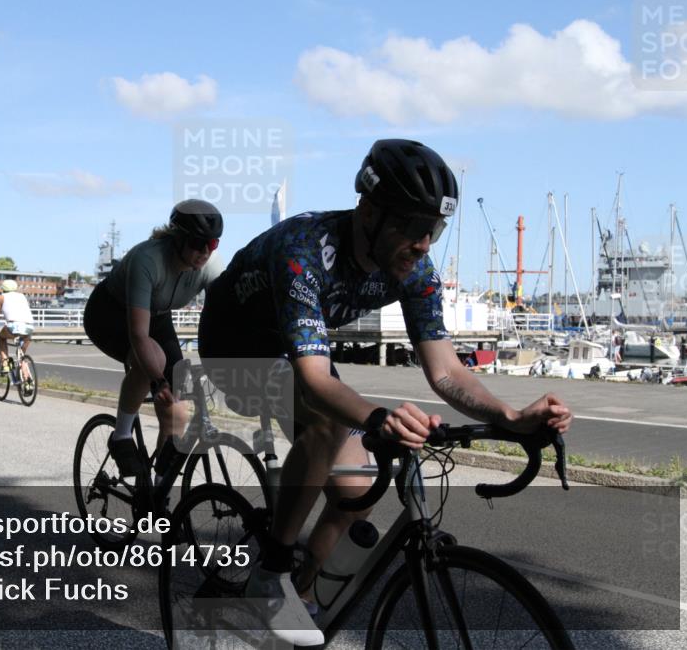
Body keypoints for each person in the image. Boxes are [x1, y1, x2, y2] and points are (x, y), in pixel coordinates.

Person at [199, 139, 573, 646]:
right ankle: (272, 574)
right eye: (412, 227)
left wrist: (509, 415)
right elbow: (315, 381)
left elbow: (443, 370)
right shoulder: (305, 249)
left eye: (433, 230)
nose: (423, 244)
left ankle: (301, 598)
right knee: (328, 421)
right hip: (235, 349)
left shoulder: (414, 268)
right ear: (369, 212)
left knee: (358, 489)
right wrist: (379, 417)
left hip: (296, 352)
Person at [83, 199, 224, 477]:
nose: (205, 252)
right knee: (152, 363)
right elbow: (138, 334)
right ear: (178, 238)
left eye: (212, 244)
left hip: (158, 316)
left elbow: (224, 318)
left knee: (178, 408)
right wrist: (158, 381)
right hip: (110, 315)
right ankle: (121, 437)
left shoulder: (211, 265)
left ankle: (159, 492)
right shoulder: (147, 260)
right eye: (198, 243)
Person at [0, 279, 35, 388]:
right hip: (29, 327)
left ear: (3, 289)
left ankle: (6, 364)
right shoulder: (22, 296)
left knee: (2, 338)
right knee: (21, 356)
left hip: (14, 326)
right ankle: (27, 383)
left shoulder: (1, 297)